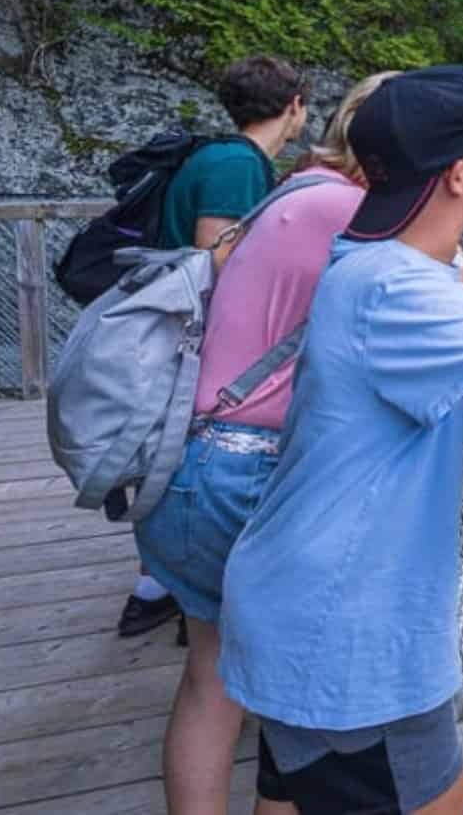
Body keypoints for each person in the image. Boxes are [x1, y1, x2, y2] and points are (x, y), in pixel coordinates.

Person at [218, 65, 463, 815]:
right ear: (457, 173)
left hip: (300, 600)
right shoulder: (402, 289)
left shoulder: (367, 258)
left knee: (290, 798)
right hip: (345, 633)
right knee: (442, 800)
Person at [133, 72, 402, 815]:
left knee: (210, 682)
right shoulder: (351, 212)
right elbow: (434, 295)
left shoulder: (292, 190)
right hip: (250, 476)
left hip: (191, 460)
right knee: (297, 694)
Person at [119, 53, 310, 641]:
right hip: (194, 338)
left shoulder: (220, 156)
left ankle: (164, 585)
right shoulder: (237, 164)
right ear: (294, 107)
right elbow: (218, 255)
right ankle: (176, 592)